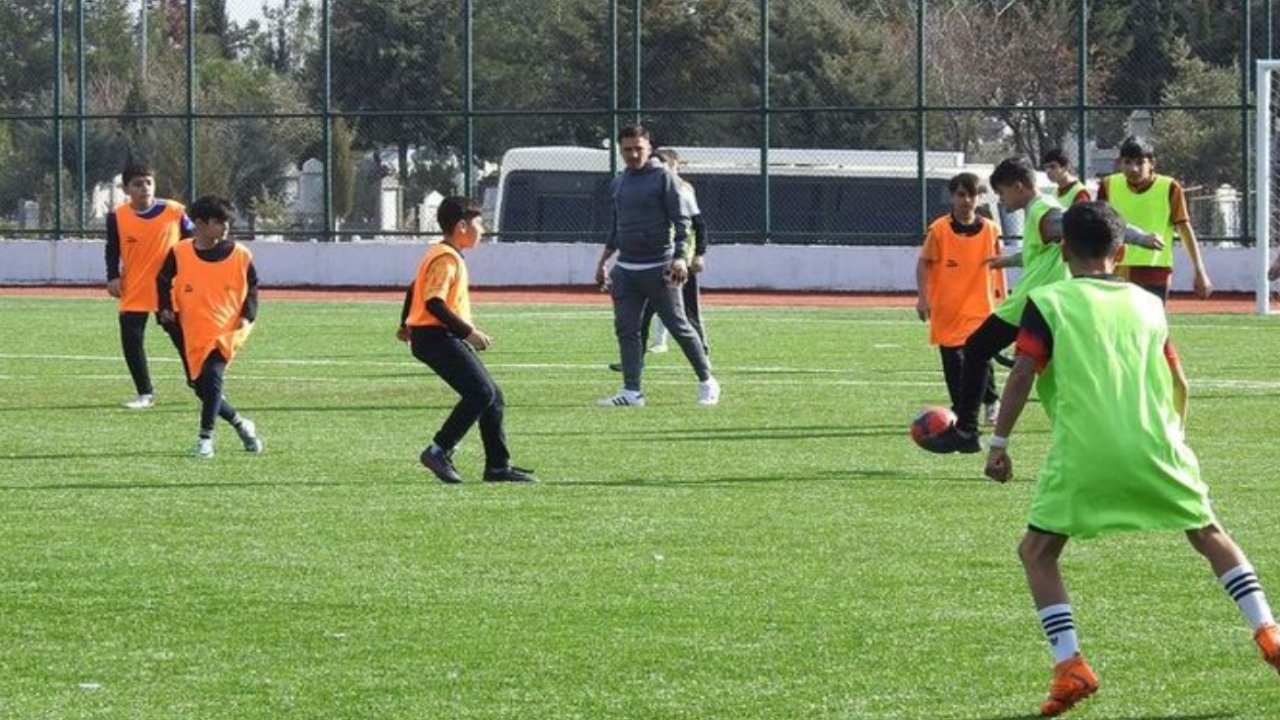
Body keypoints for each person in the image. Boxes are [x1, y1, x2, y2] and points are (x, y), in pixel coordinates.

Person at [983, 202, 1279, 716]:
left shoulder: (1047, 301)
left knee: (1037, 553)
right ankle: (1269, 631)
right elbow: (1179, 381)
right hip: (1157, 446)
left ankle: (1070, 664)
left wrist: (1000, 444)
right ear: (1120, 252)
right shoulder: (1148, 303)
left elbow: (1023, 371)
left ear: (1061, 247)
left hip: (1085, 452)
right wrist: (1174, 440)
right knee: (1209, 535)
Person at [925, 157, 1164, 454]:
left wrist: (1138, 237)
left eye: (1002, 192)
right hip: (1047, 302)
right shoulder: (1037, 213)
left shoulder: (1043, 210)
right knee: (1054, 374)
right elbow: (1038, 254)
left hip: (1031, 302)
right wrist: (1008, 260)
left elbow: (1089, 224)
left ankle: (966, 431)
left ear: (1019, 186)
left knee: (976, 348)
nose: (1000, 199)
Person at [399, 196, 537, 484]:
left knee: (492, 395)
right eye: (479, 222)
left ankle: (498, 466)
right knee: (480, 393)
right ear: (462, 226)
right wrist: (468, 333)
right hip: (436, 336)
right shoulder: (447, 258)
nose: (483, 229)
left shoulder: (439, 252)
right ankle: (438, 450)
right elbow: (434, 302)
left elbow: (414, 288)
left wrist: (404, 323)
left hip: (433, 336)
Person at [593, 125, 719, 407]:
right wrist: (603, 262)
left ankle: (707, 381)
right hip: (626, 269)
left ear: (649, 148)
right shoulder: (618, 182)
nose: (633, 154)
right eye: (627, 149)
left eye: (639, 148)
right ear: (620, 149)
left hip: (660, 267)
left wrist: (680, 258)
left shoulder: (664, 178)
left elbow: (683, 221)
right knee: (626, 330)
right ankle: (631, 391)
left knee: (678, 325)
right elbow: (616, 226)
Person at [155, 196, 263, 459]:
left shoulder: (240, 254)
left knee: (213, 378)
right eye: (219, 222)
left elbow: (253, 288)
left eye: (227, 222)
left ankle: (205, 439)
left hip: (227, 330)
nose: (225, 227)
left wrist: (247, 316)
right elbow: (162, 278)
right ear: (200, 224)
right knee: (200, 386)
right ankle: (241, 424)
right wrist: (165, 308)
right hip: (190, 329)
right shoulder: (180, 252)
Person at [609, 147, 711, 371]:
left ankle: (703, 355)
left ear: (674, 166)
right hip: (655, 262)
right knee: (642, 316)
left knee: (687, 314)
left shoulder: (683, 190)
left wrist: (697, 255)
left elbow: (698, 225)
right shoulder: (647, 189)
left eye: (664, 166)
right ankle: (636, 362)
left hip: (678, 263)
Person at [105, 160, 194, 409]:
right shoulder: (117, 215)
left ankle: (200, 384)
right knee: (131, 339)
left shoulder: (174, 211)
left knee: (182, 338)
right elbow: (112, 248)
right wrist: (112, 275)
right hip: (135, 287)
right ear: (126, 189)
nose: (144, 187)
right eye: (137, 184)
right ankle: (144, 393)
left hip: (170, 289)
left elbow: (192, 243)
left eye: (148, 182)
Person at [916, 172, 1004, 423]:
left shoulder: (991, 229)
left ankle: (990, 401)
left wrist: (1002, 297)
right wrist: (923, 298)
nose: (967, 200)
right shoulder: (939, 230)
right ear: (952, 197)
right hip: (948, 308)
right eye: (961, 195)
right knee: (953, 364)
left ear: (980, 198)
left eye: (973, 195)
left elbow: (998, 265)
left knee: (981, 356)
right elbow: (923, 264)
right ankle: (960, 407)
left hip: (980, 306)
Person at [1098, 135, 1212, 303]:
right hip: (1117, 267)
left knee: (1153, 326)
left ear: (1152, 163)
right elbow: (1100, 227)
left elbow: (1184, 229)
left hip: (1155, 268)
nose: (1133, 168)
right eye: (1127, 162)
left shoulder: (1170, 187)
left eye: (1139, 163)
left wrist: (1199, 270)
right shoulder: (1108, 185)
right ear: (1120, 162)